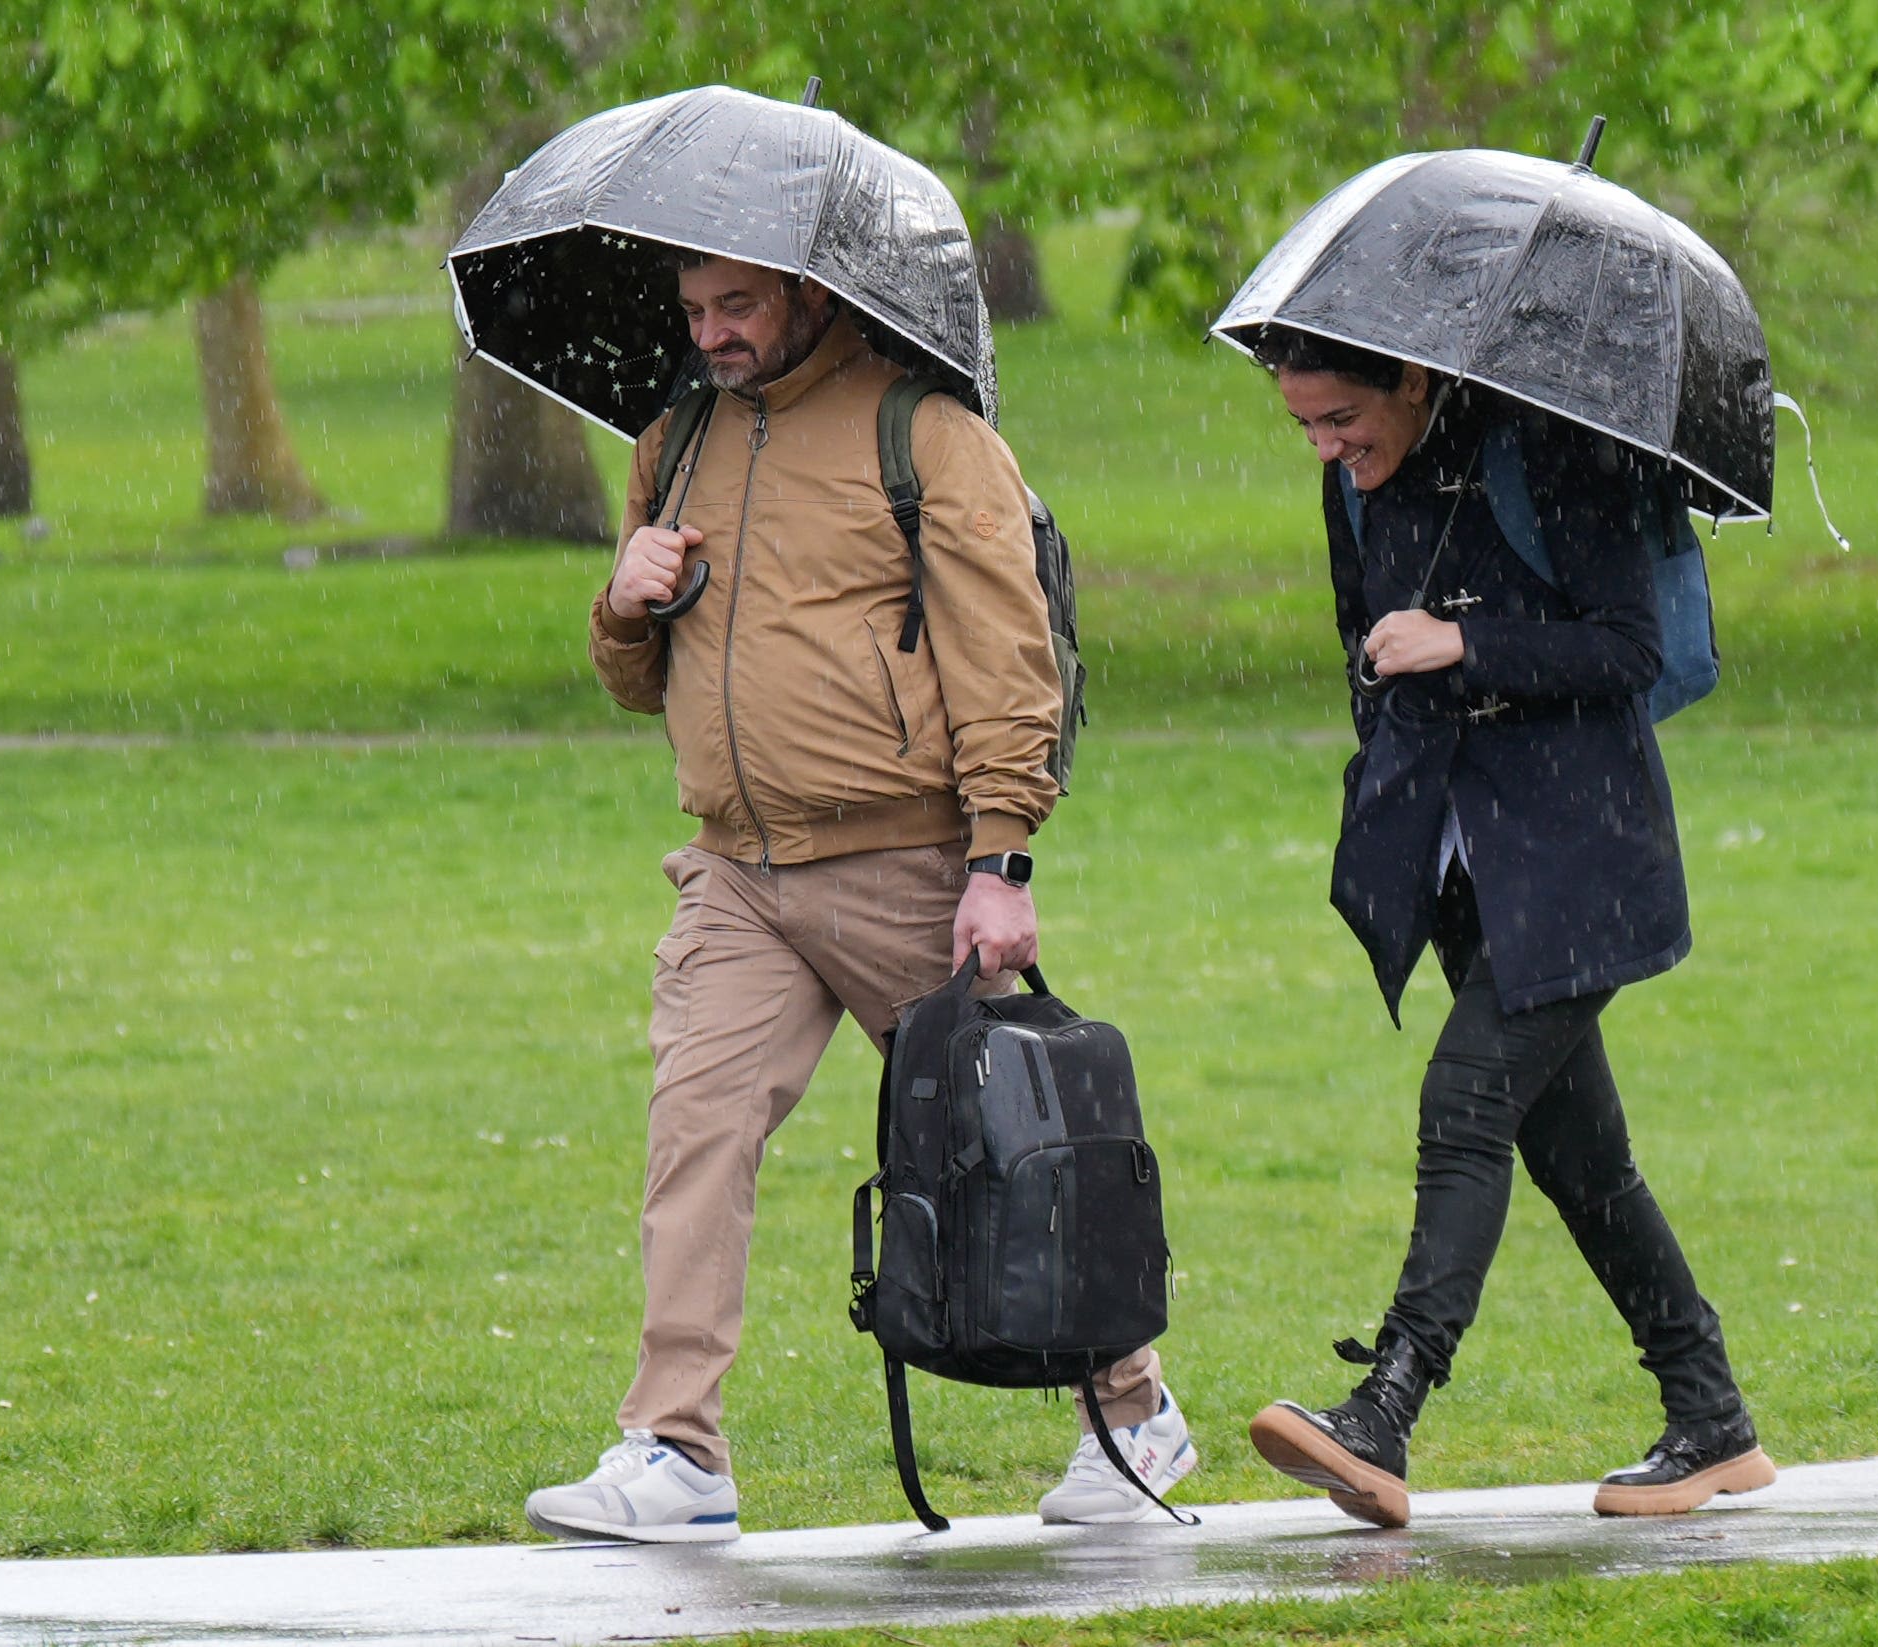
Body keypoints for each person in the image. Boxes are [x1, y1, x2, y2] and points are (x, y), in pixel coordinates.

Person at [522, 252, 1195, 1544]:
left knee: (1011, 1145)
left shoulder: (925, 435)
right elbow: (635, 676)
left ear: (810, 293)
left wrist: (1000, 857)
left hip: (906, 865)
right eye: (694, 311)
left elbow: (1004, 655)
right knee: (695, 1133)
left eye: (738, 306)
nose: (711, 332)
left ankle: (1133, 1410)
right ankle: (675, 1448)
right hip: (735, 871)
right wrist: (622, 603)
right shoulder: (673, 443)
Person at [1237, 326, 1772, 1528]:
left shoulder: (1556, 454)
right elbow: (1355, 644)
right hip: (1462, 872)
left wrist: (1465, 641)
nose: (1326, 448)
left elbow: (1627, 647)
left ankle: (1384, 1410)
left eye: (1342, 422)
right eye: (1304, 427)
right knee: (1580, 1159)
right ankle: (1713, 1420)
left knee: (1466, 1104)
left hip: (1583, 859)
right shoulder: (1355, 488)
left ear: (1414, 380)